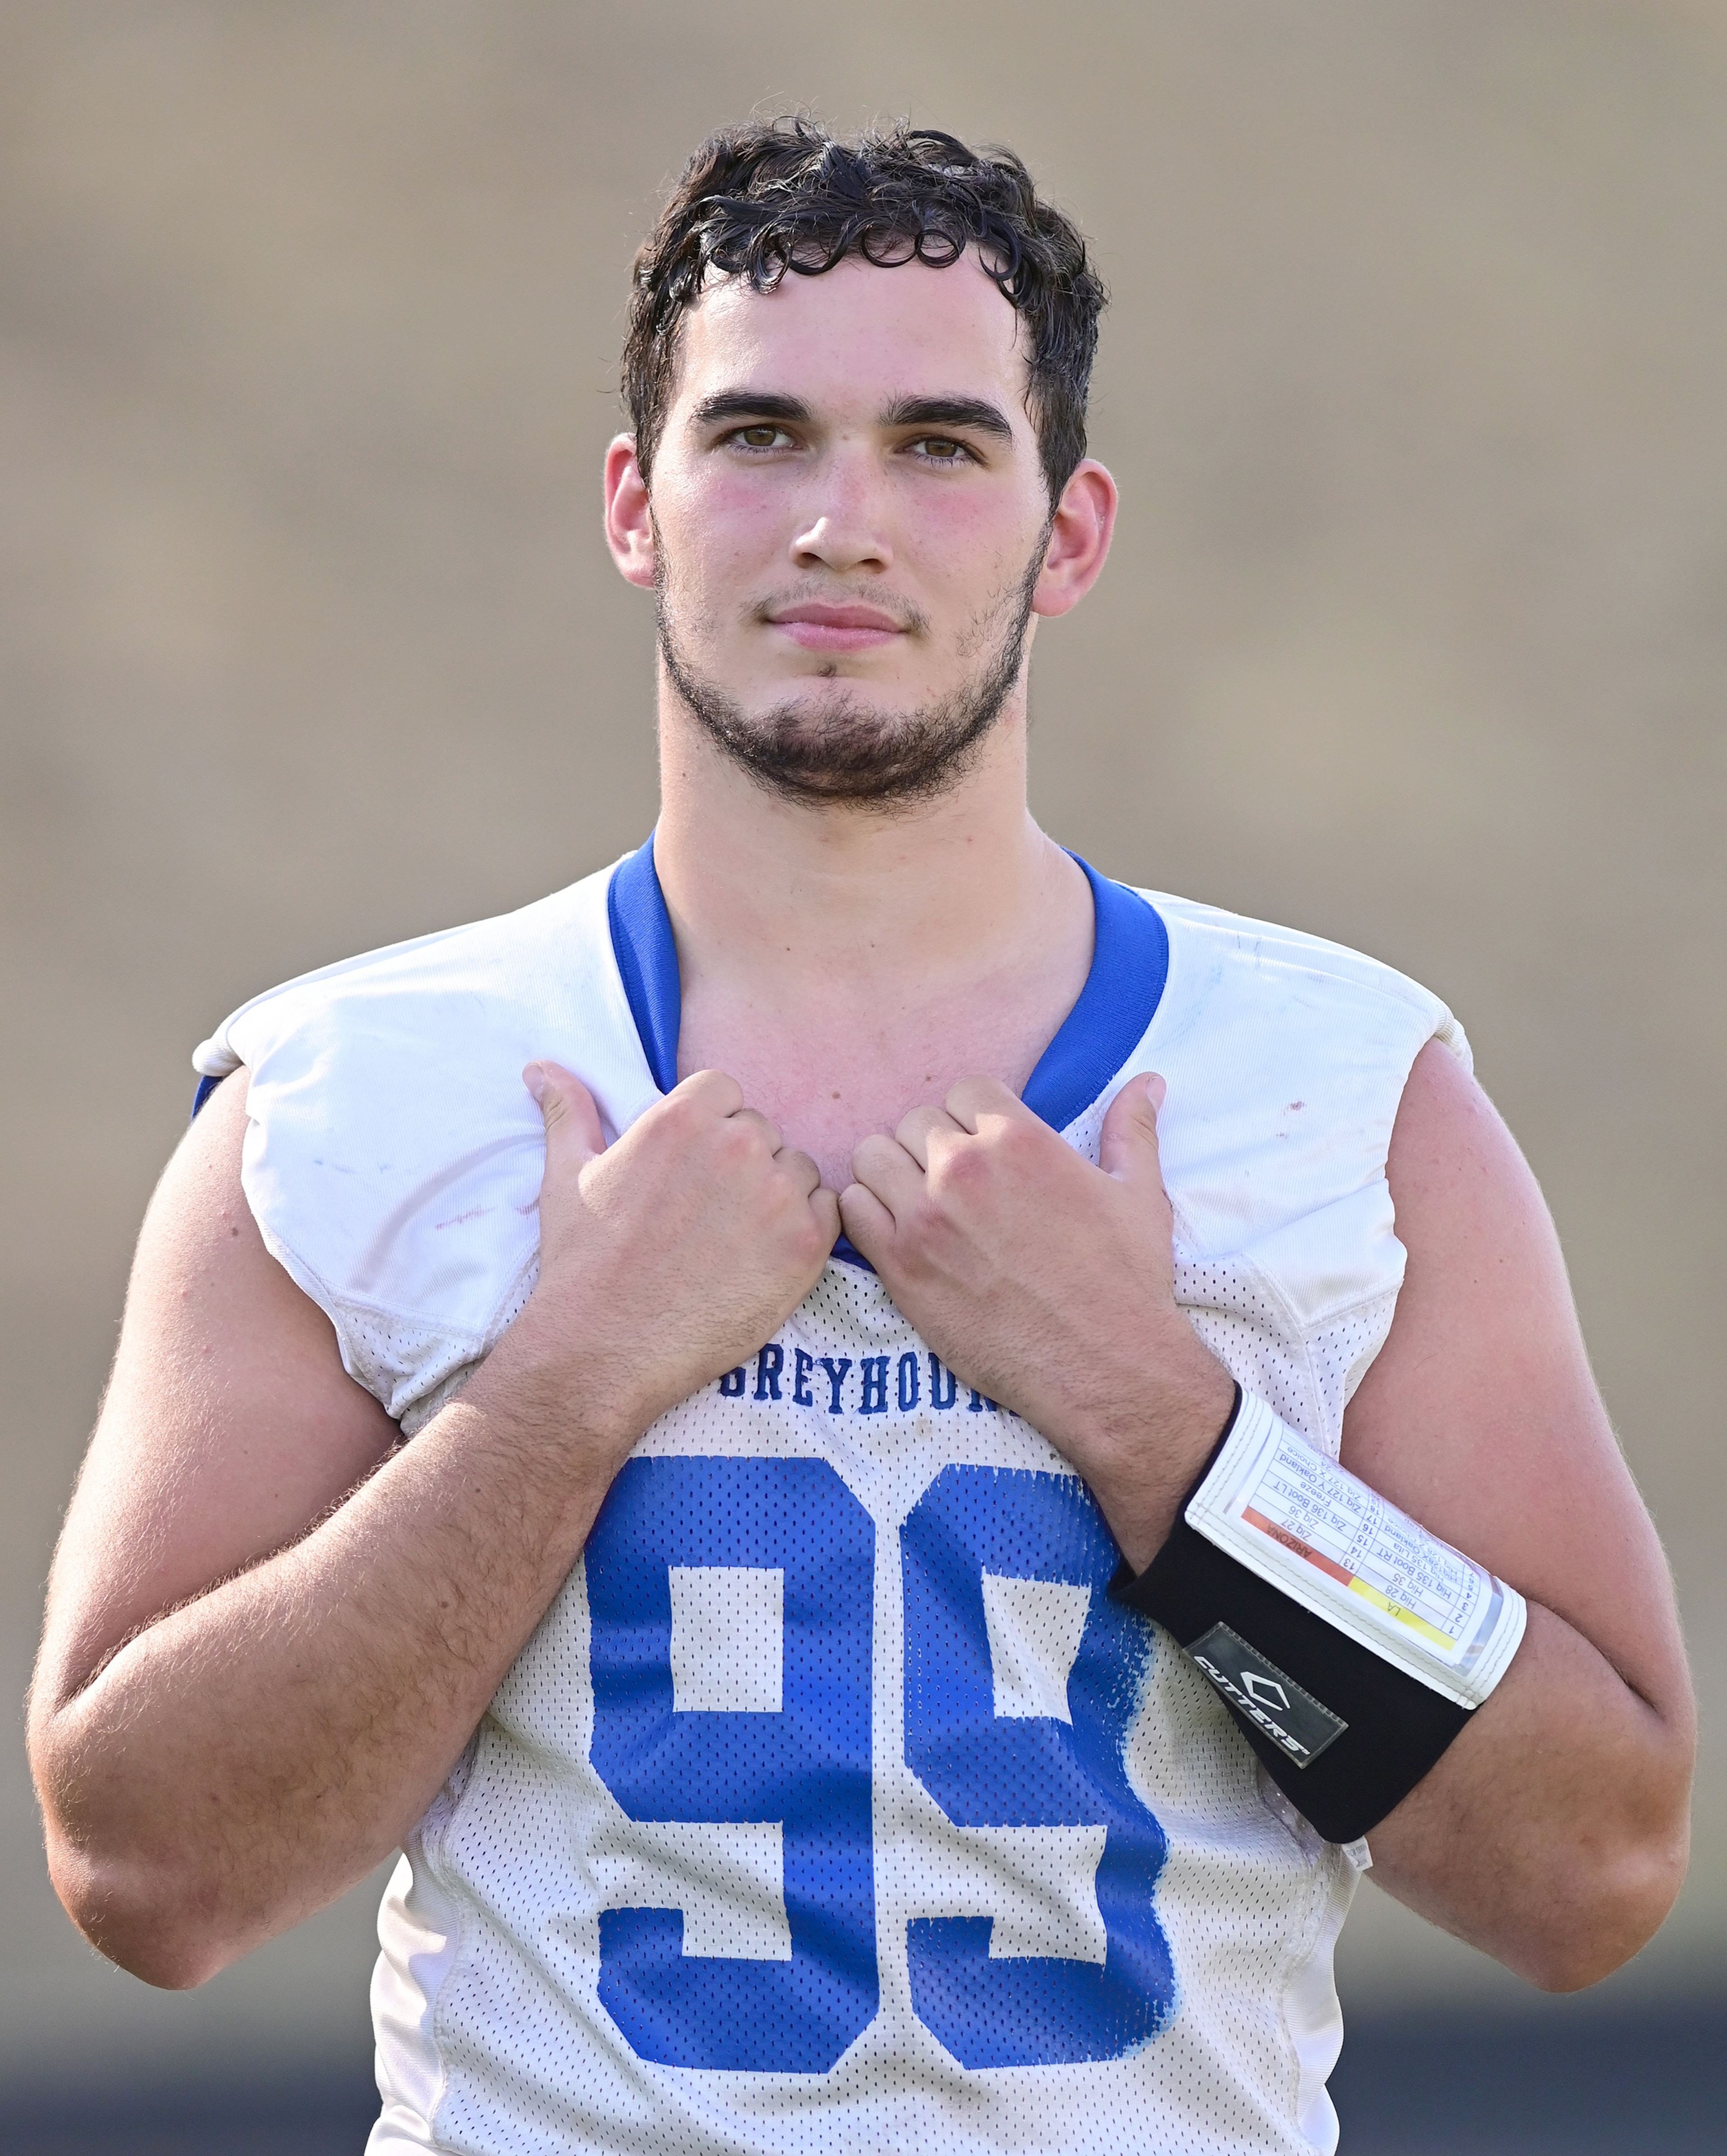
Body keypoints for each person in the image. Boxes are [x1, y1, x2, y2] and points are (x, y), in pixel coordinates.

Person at [29, 120, 1693, 2156]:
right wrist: (559, 1391)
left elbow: (1593, 1871)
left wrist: (1158, 1413)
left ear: (1067, 534)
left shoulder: (1345, 1090)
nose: (840, 522)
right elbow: (149, 1880)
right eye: (759, 436)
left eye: (937, 444)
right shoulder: (360, 1092)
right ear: (636, 505)